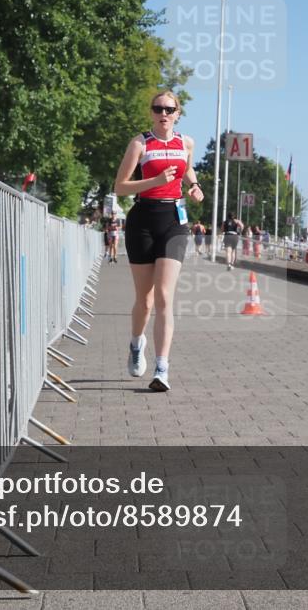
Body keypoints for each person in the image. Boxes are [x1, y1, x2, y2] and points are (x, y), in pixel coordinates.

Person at [114, 90, 204, 392]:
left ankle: (162, 368)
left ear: (178, 113)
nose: (163, 113)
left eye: (169, 109)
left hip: (174, 222)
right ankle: (136, 344)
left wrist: (194, 185)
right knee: (146, 300)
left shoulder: (186, 143)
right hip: (142, 221)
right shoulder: (140, 143)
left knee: (165, 296)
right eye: (158, 108)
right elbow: (120, 188)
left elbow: (187, 166)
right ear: (151, 113)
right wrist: (155, 181)